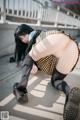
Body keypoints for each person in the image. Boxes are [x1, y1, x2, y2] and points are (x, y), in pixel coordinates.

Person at [13, 30, 80, 120]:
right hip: (73, 48)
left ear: (25, 35)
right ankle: (69, 92)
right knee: (56, 80)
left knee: (29, 57)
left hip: (56, 40)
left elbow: (30, 59)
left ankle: (20, 89)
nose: (23, 41)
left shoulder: (33, 34)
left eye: (22, 39)